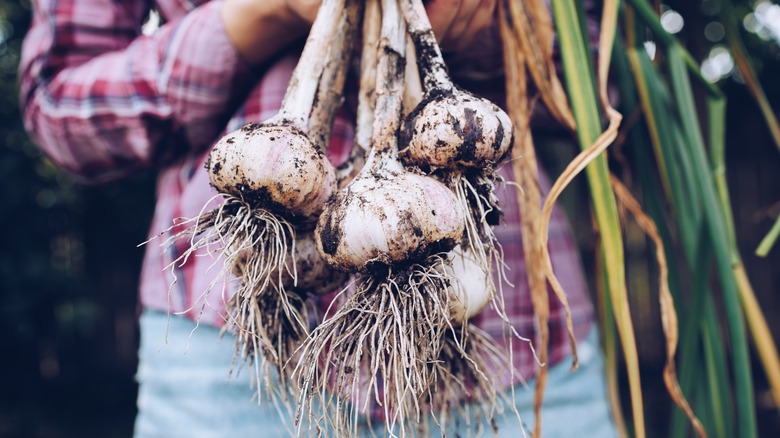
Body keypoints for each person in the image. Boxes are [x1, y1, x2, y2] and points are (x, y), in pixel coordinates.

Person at [20, 0, 616, 436]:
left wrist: (491, 24)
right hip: (230, 352)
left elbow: (608, 82)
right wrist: (261, 12)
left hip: (517, 351)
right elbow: (59, 109)